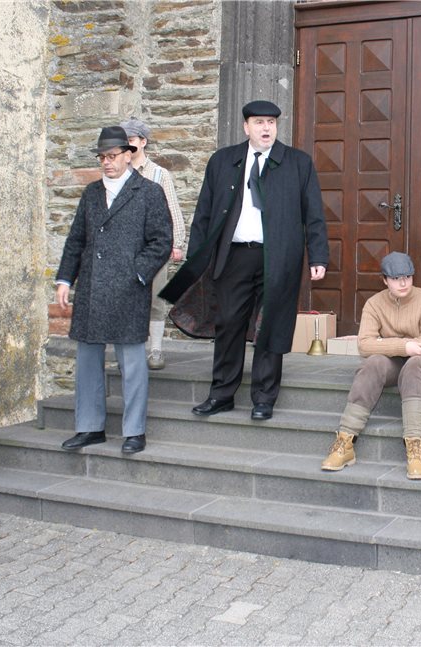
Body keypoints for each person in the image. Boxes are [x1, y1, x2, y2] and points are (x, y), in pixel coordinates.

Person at [160, 100, 329, 422]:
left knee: (271, 326)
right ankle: (221, 394)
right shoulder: (223, 161)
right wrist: (196, 259)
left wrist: (318, 255)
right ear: (246, 127)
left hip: (278, 258)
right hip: (234, 255)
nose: (266, 128)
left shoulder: (297, 163)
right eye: (259, 122)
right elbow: (204, 214)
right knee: (229, 325)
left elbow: (314, 215)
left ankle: (264, 398)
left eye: (271, 123)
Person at [55, 126, 172, 455]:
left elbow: (161, 241)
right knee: (88, 360)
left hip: (128, 289)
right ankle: (90, 427)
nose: (106, 163)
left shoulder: (148, 192)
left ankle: (134, 430)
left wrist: (137, 275)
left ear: (128, 155)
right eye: (102, 157)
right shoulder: (91, 193)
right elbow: (76, 239)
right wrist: (65, 279)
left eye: (112, 156)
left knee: (132, 362)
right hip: (92, 287)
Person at [321, 252, 421, 479]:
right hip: (396, 360)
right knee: (372, 365)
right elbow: (365, 346)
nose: (403, 283)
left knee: (415, 366)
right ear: (384, 280)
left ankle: (415, 450)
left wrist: (386, 344)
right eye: (396, 278)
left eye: (408, 277)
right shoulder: (374, 304)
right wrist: (405, 346)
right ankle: (345, 442)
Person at [119, 117, 186, 370]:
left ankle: (156, 350)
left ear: (142, 142)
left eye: (131, 140)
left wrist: (176, 242)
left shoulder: (159, 174)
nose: (126, 145)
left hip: (155, 248)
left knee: (156, 300)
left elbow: (172, 209)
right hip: (126, 249)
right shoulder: (118, 174)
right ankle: (131, 350)